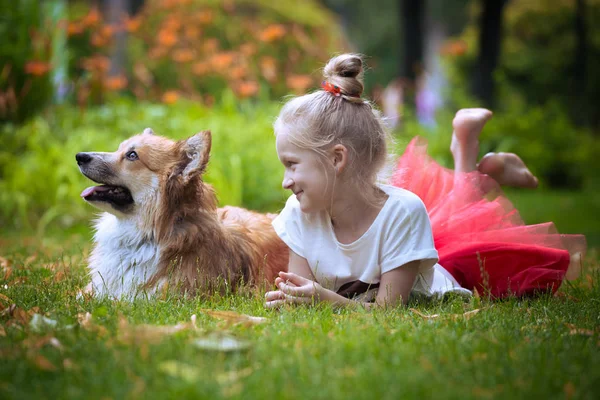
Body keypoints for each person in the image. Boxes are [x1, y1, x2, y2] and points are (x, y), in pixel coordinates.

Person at [264, 54, 585, 309]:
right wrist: (292, 300)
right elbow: (301, 293)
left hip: (445, 275)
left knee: (465, 243)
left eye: (292, 165)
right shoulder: (300, 212)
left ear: (337, 159)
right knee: (450, 218)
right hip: (402, 234)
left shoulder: (402, 212)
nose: (285, 182)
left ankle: (468, 154)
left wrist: (325, 300)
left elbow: (388, 312)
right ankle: (470, 157)